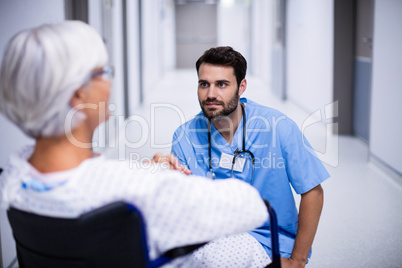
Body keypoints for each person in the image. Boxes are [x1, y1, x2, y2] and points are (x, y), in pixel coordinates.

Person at [0, 22, 270, 267]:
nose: (109, 82)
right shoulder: (137, 190)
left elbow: (90, 180)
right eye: (104, 73)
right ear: (78, 92)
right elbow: (251, 207)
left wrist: (147, 172)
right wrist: (160, 179)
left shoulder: (15, 175)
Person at [171, 46, 330, 267]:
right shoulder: (185, 136)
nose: (211, 94)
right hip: (208, 238)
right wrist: (159, 174)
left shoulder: (277, 127)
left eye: (222, 84)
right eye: (204, 84)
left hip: (267, 240)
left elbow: (313, 191)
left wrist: (297, 261)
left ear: (241, 87)